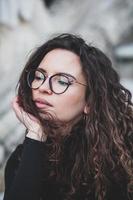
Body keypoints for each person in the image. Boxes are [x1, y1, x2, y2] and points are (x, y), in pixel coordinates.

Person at [3, 33, 133, 200]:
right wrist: (36, 134)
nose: (43, 87)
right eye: (39, 76)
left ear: (90, 102)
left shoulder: (120, 160)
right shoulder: (24, 157)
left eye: (62, 81)